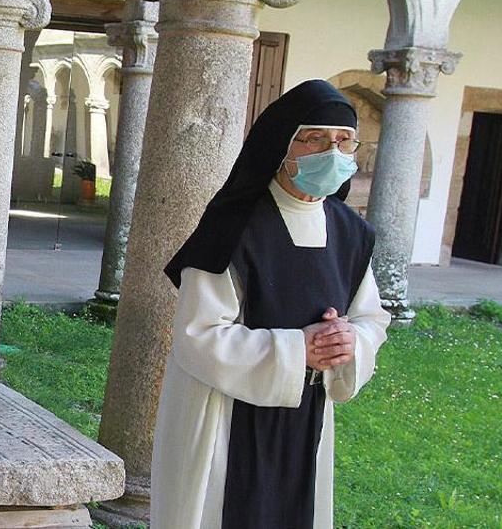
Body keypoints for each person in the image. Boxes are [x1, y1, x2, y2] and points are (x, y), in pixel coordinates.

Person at [150, 79, 391, 528]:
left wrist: (348, 341)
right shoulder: (233, 226)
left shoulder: (350, 232)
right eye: (314, 137)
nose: (331, 151)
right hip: (224, 411)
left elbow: (370, 318)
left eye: (343, 140)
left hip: (306, 411)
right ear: (281, 144)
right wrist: (300, 349)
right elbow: (197, 335)